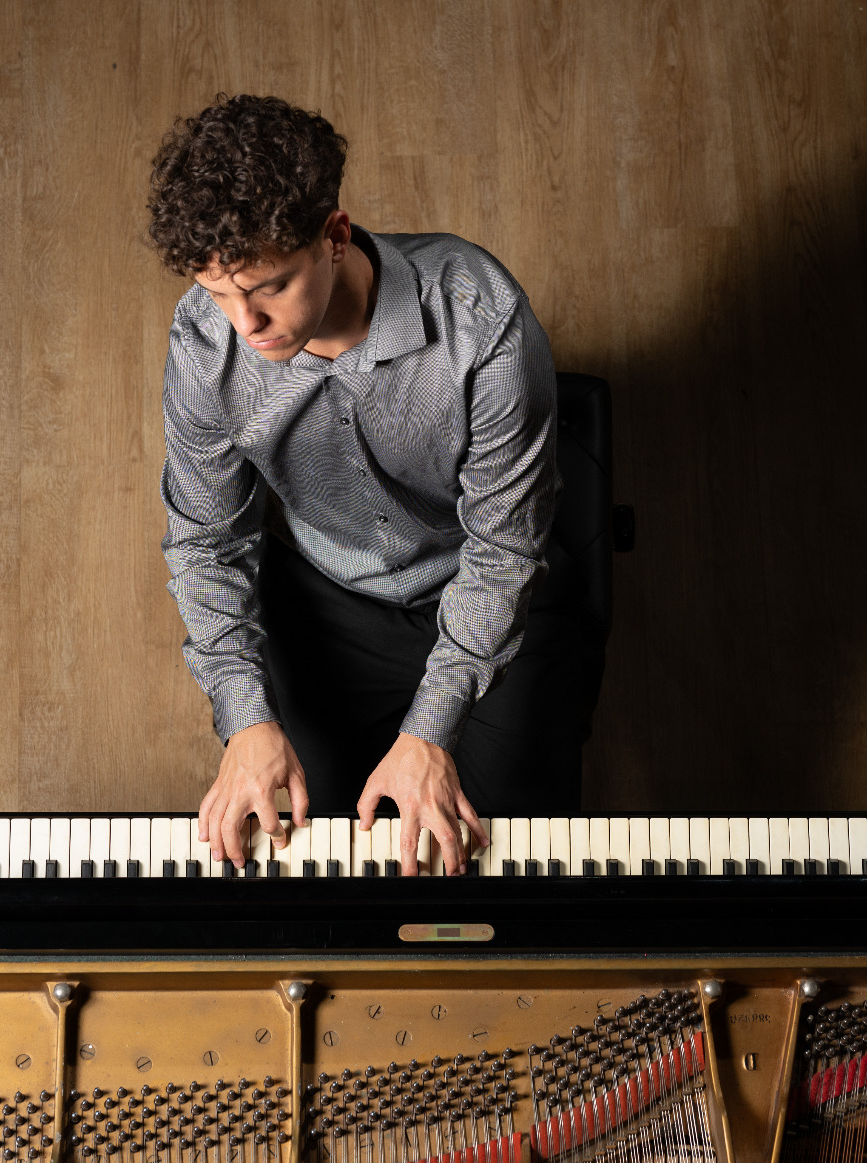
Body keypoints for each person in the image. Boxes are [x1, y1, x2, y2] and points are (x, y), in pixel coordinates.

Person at [148, 94, 603, 877]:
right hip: (326, 605)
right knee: (311, 862)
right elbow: (205, 542)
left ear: (334, 236)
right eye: (222, 294)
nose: (246, 325)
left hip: (489, 586)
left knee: (513, 867)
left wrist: (428, 733)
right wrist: (246, 716)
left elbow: (502, 552)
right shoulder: (205, 344)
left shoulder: (483, 321)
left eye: (270, 288)